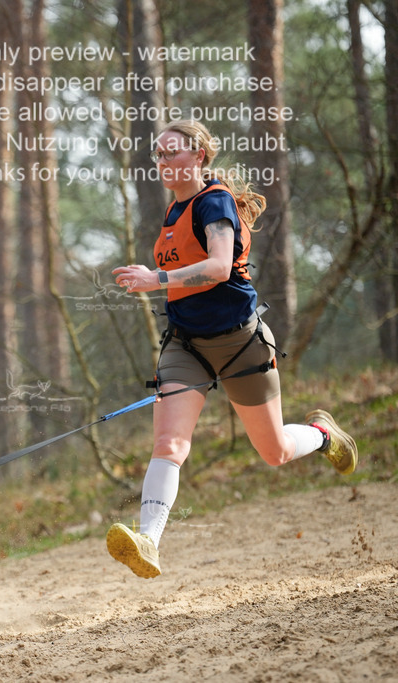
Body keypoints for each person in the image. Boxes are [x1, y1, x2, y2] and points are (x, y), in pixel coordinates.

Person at [106, 119, 358, 579]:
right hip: (186, 346)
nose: (162, 162)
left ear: (199, 155)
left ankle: (322, 434)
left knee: (275, 451)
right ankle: (149, 539)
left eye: (172, 152)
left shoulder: (214, 202)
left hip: (241, 342)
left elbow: (220, 267)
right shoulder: (171, 213)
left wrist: (156, 279)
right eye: (157, 154)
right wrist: (156, 275)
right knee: (168, 443)